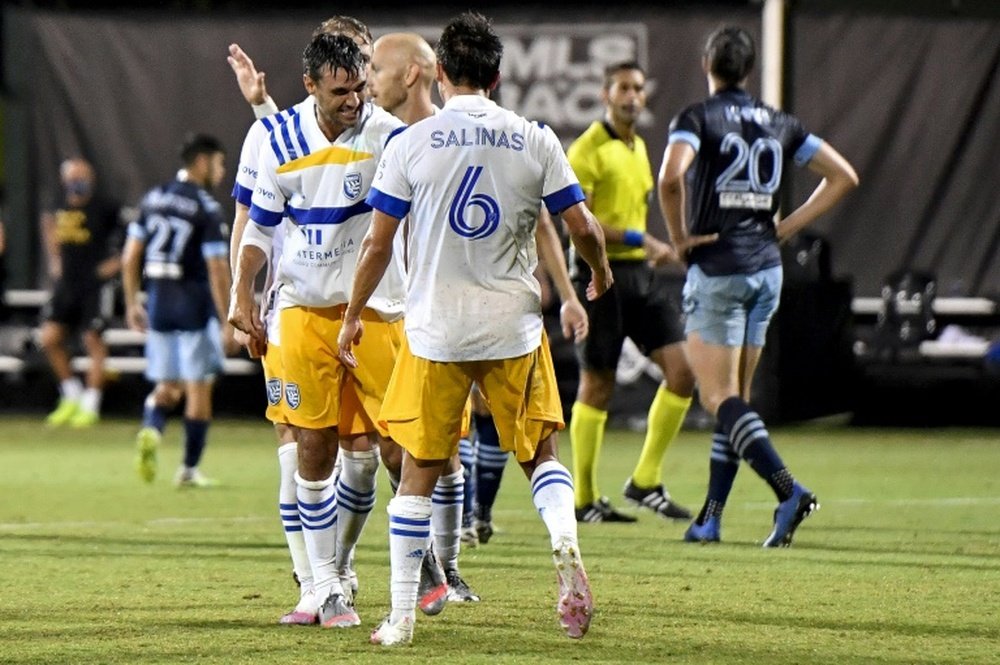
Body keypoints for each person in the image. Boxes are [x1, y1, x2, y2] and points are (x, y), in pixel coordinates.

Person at [337, 11, 612, 646]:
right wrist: (596, 273)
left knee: (416, 472)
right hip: (512, 326)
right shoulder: (535, 137)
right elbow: (581, 228)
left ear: (441, 72)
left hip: (436, 330)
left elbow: (377, 245)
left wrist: (353, 316)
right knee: (540, 454)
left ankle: (402, 617)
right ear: (497, 75)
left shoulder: (410, 144)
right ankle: (565, 546)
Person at [229, 32, 406, 630]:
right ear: (310, 86)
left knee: (395, 452)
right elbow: (255, 230)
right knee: (308, 447)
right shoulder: (274, 137)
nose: (355, 101)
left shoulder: (390, 136)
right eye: (341, 92)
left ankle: (378, 563)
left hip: (379, 311)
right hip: (302, 311)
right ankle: (324, 585)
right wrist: (240, 292)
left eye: (360, 87)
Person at [659, 25, 858, 546]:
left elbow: (670, 178)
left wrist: (679, 240)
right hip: (767, 269)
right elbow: (843, 176)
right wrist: (787, 226)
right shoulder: (778, 121)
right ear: (749, 70)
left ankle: (789, 491)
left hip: (720, 268)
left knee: (718, 397)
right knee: (738, 397)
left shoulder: (697, 118)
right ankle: (711, 518)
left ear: (708, 63)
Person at [566, 62, 702, 524]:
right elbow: (577, 222)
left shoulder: (640, 146)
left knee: (682, 373)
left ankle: (645, 481)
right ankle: (583, 499)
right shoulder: (587, 148)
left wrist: (651, 249)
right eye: (624, 88)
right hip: (599, 275)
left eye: (639, 89)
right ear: (606, 94)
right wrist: (642, 240)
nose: (632, 96)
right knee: (598, 384)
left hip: (639, 277)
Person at [123, 134, 236, 487]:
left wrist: (131, 302)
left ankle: (152, 430)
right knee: (199, 388)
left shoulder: (153, 198)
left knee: (168, 387)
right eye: (218, 164)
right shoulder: (205, 208)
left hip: (158, 303)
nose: (221, 172)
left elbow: (130, 256)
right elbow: (217, 267)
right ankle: (188, 469)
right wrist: (228, 318)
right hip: (193, 303)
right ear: (202, 162)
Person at [39, 158, 122, 428]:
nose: (78, 180)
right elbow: (48, 225)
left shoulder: (104, 208)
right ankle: (71, 395)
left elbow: (132, 236)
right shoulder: (59, 206)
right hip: (67, 285)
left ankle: (91, 403)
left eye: (83, 175)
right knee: (50, 337)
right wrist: (54, 261)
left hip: (94, 286)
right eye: (73, 176)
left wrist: (115, 264)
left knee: (92, 339)